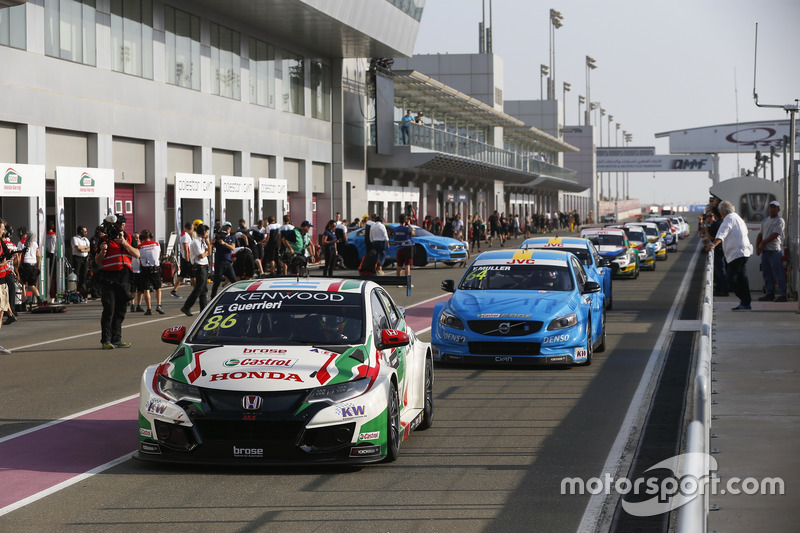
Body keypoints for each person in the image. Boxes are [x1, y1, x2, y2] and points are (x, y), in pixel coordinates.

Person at [95, 214, 139, 349]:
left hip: (125, 278)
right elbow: (97, 260)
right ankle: (106, 340)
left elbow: (137, 254)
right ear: (113, 224)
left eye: (123, 223)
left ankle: (117, 339)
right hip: (109, 278)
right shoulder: (105, 239)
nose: (122, 225)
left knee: (121, 310)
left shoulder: (129, 238)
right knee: (109, 309)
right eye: (119, 223)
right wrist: (103, 251)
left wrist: (124, 243)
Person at [704, 201, 753, 311]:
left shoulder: (729, 219)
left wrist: (713, 245)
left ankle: (744, 299)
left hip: (737, 254)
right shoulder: (737, 217)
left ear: (722, 212)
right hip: (743, 252)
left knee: (731, 278)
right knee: (742, 278)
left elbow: (722, 234)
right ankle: (745, 303)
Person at [755, 200, 787, 302]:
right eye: (771, 207)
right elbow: (760, 234)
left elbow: (775, 234)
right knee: (767, 273)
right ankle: (769, 293)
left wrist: (763, 243)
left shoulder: (779, 220)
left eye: (775, 207)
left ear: (778, 209)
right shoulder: (765, 220)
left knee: (778, 273)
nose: (772, 209)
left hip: (774, 251)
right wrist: (757, 247)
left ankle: (782, 294)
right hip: (765, 251)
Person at [181, 224, 210, 317]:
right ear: (202, 232)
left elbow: (208, 251)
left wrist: (208, 243)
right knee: (198, 289)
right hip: (199, 266)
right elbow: (201, 255)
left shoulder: (202, 241)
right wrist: (205, 253)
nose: (207, 234)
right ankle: (186, 306)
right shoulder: (195, 242)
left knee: (204, 289)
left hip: (204, 266)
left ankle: (204, 309)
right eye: (206, 232)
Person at [137, 229, 164, 315]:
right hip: (155, 267)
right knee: (158, 288)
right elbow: (159, 254)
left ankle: (149, 309)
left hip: (145, 268)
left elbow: (138, 256)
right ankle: (159, 305)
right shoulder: (156, 244)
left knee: (146, 289)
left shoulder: (140, 246)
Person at [210, 221, 237, 298]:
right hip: (219, 262)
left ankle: (236, 295)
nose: (227, 229)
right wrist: (215, 239)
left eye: (229, 228)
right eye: (226, 228)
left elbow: (232, 248)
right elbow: (211, 245)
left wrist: (224, 243)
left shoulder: (231, 238)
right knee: (217, 282)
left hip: (228, 262)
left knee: (234, 281)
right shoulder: (218, 238)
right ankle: (213, 297)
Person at [18, 231, 43, 307]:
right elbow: (38, 254)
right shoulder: (35, 243)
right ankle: (39, 299)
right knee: (32, 284)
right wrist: (38, 266)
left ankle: (23, 302)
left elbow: (19, 255)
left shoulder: (21, 243)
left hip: (25, 264)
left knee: (23, 284)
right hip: (34, 265)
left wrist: (18, 266)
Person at [171, 221, 195, 299]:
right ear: (190, 228)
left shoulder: (185, 235)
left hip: (187, 258)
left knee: (185, 276)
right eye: (192, 228)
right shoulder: (185, 236)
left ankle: (174, 291)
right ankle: (197, 291)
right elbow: (186, 249)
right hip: (186, 259)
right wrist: (188, 259)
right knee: (191, 276)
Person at [71, 226, 90, 297]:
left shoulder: (85, 239)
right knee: (76, 273)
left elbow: (88, 248)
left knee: (84, 274)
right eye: (85, 231)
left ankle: (82, 290)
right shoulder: (74, 238)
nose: (86, 233)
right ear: (81, 231)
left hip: (85, 258)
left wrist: (84, 249)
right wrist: (84, 247)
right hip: (77, 258)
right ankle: (75, 289)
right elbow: (77, 248)